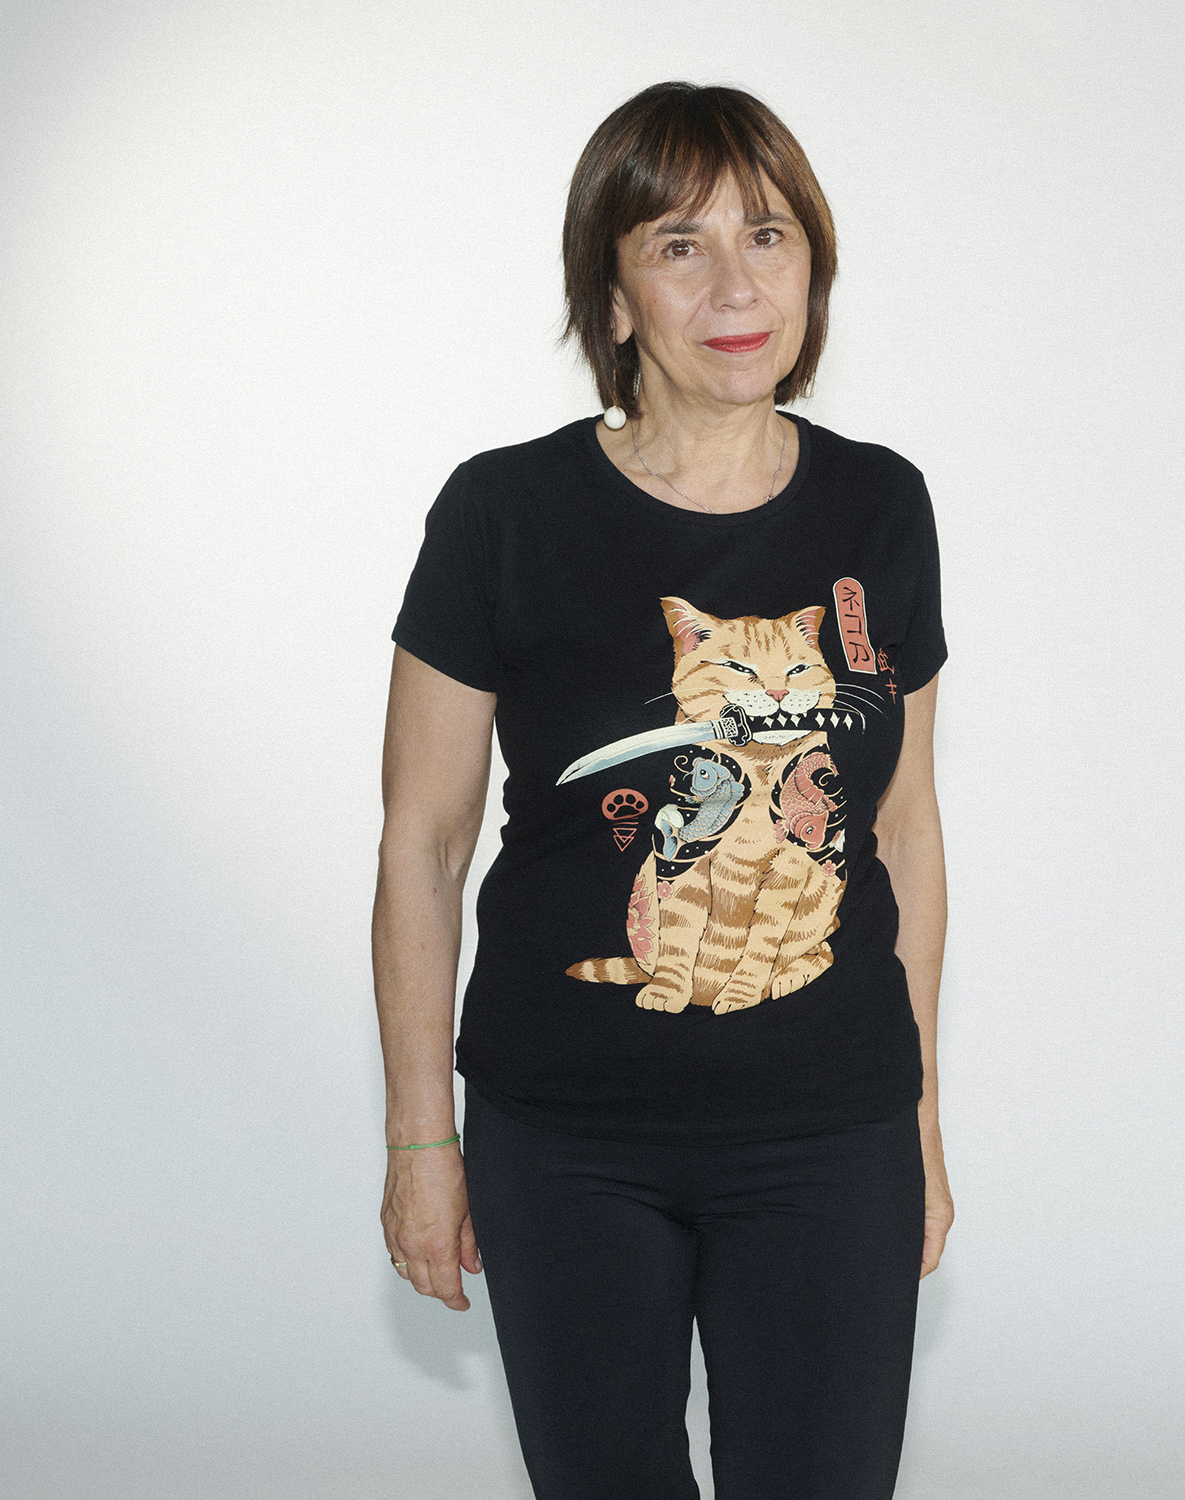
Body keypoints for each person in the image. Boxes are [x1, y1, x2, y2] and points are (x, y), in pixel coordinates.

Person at [372, 81, 950, 1500]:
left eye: (768, 235)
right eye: (679, 246)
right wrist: (421, 1141)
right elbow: (423, 845)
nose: (735, 286)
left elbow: (903, 830)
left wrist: (921, 1124)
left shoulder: (882, 506)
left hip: (833, 1135)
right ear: (616, 297)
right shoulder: (504, 513)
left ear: (813, 269)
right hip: (567, 1140)